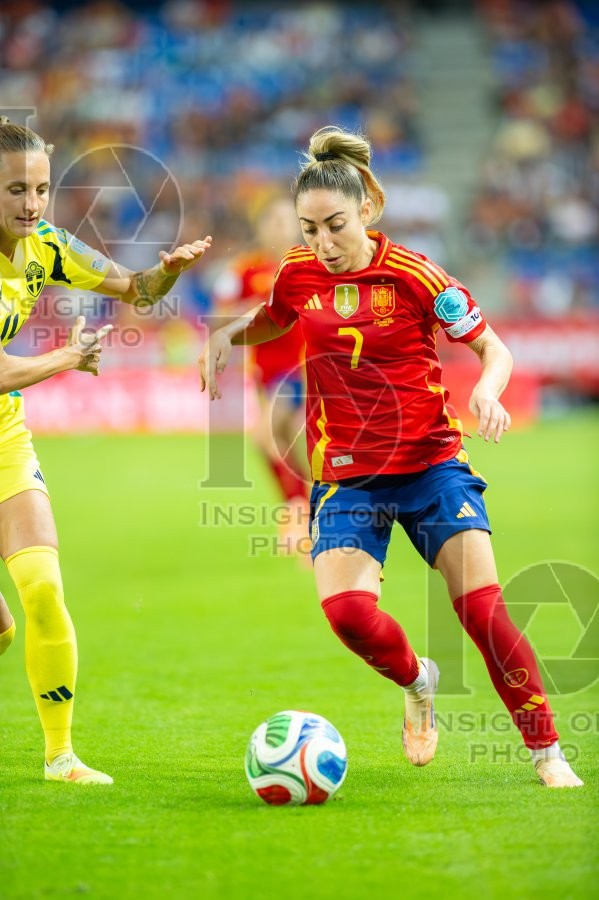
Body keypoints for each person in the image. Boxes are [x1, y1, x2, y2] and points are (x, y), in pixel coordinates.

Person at [199, 125, 583, 789]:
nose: (322, 243)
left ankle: (546, 752)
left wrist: (489, 393)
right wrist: (232, 333)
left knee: (482, 612)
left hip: (431, 467)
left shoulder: (414, 274)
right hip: (347, 478)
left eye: (335, 226)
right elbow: (277, 316)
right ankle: (417, 680)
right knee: (347, 616)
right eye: (309, 228)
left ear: (368, 209)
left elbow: (493, 348)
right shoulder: (296, 272)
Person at [0, 117, 211, 784]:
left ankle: (60, 756)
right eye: (13, 190)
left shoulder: (48, 246)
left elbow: (137, 291)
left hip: (2, 438)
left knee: (41, 586)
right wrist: (65, 356)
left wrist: (166, 273)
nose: (31, 204)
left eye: (38, 188)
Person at [212, 191, 309, 556]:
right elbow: (220, 319)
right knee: (290, 445)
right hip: (263, 375)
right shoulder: (244, 270)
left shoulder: (307, 266)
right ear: (261, 227)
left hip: (302, 369)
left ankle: (298, 510)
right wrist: (255, 310)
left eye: (287, 221)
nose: (280, 229)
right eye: (274, 221)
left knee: (265, 436)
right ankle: (316, 514)